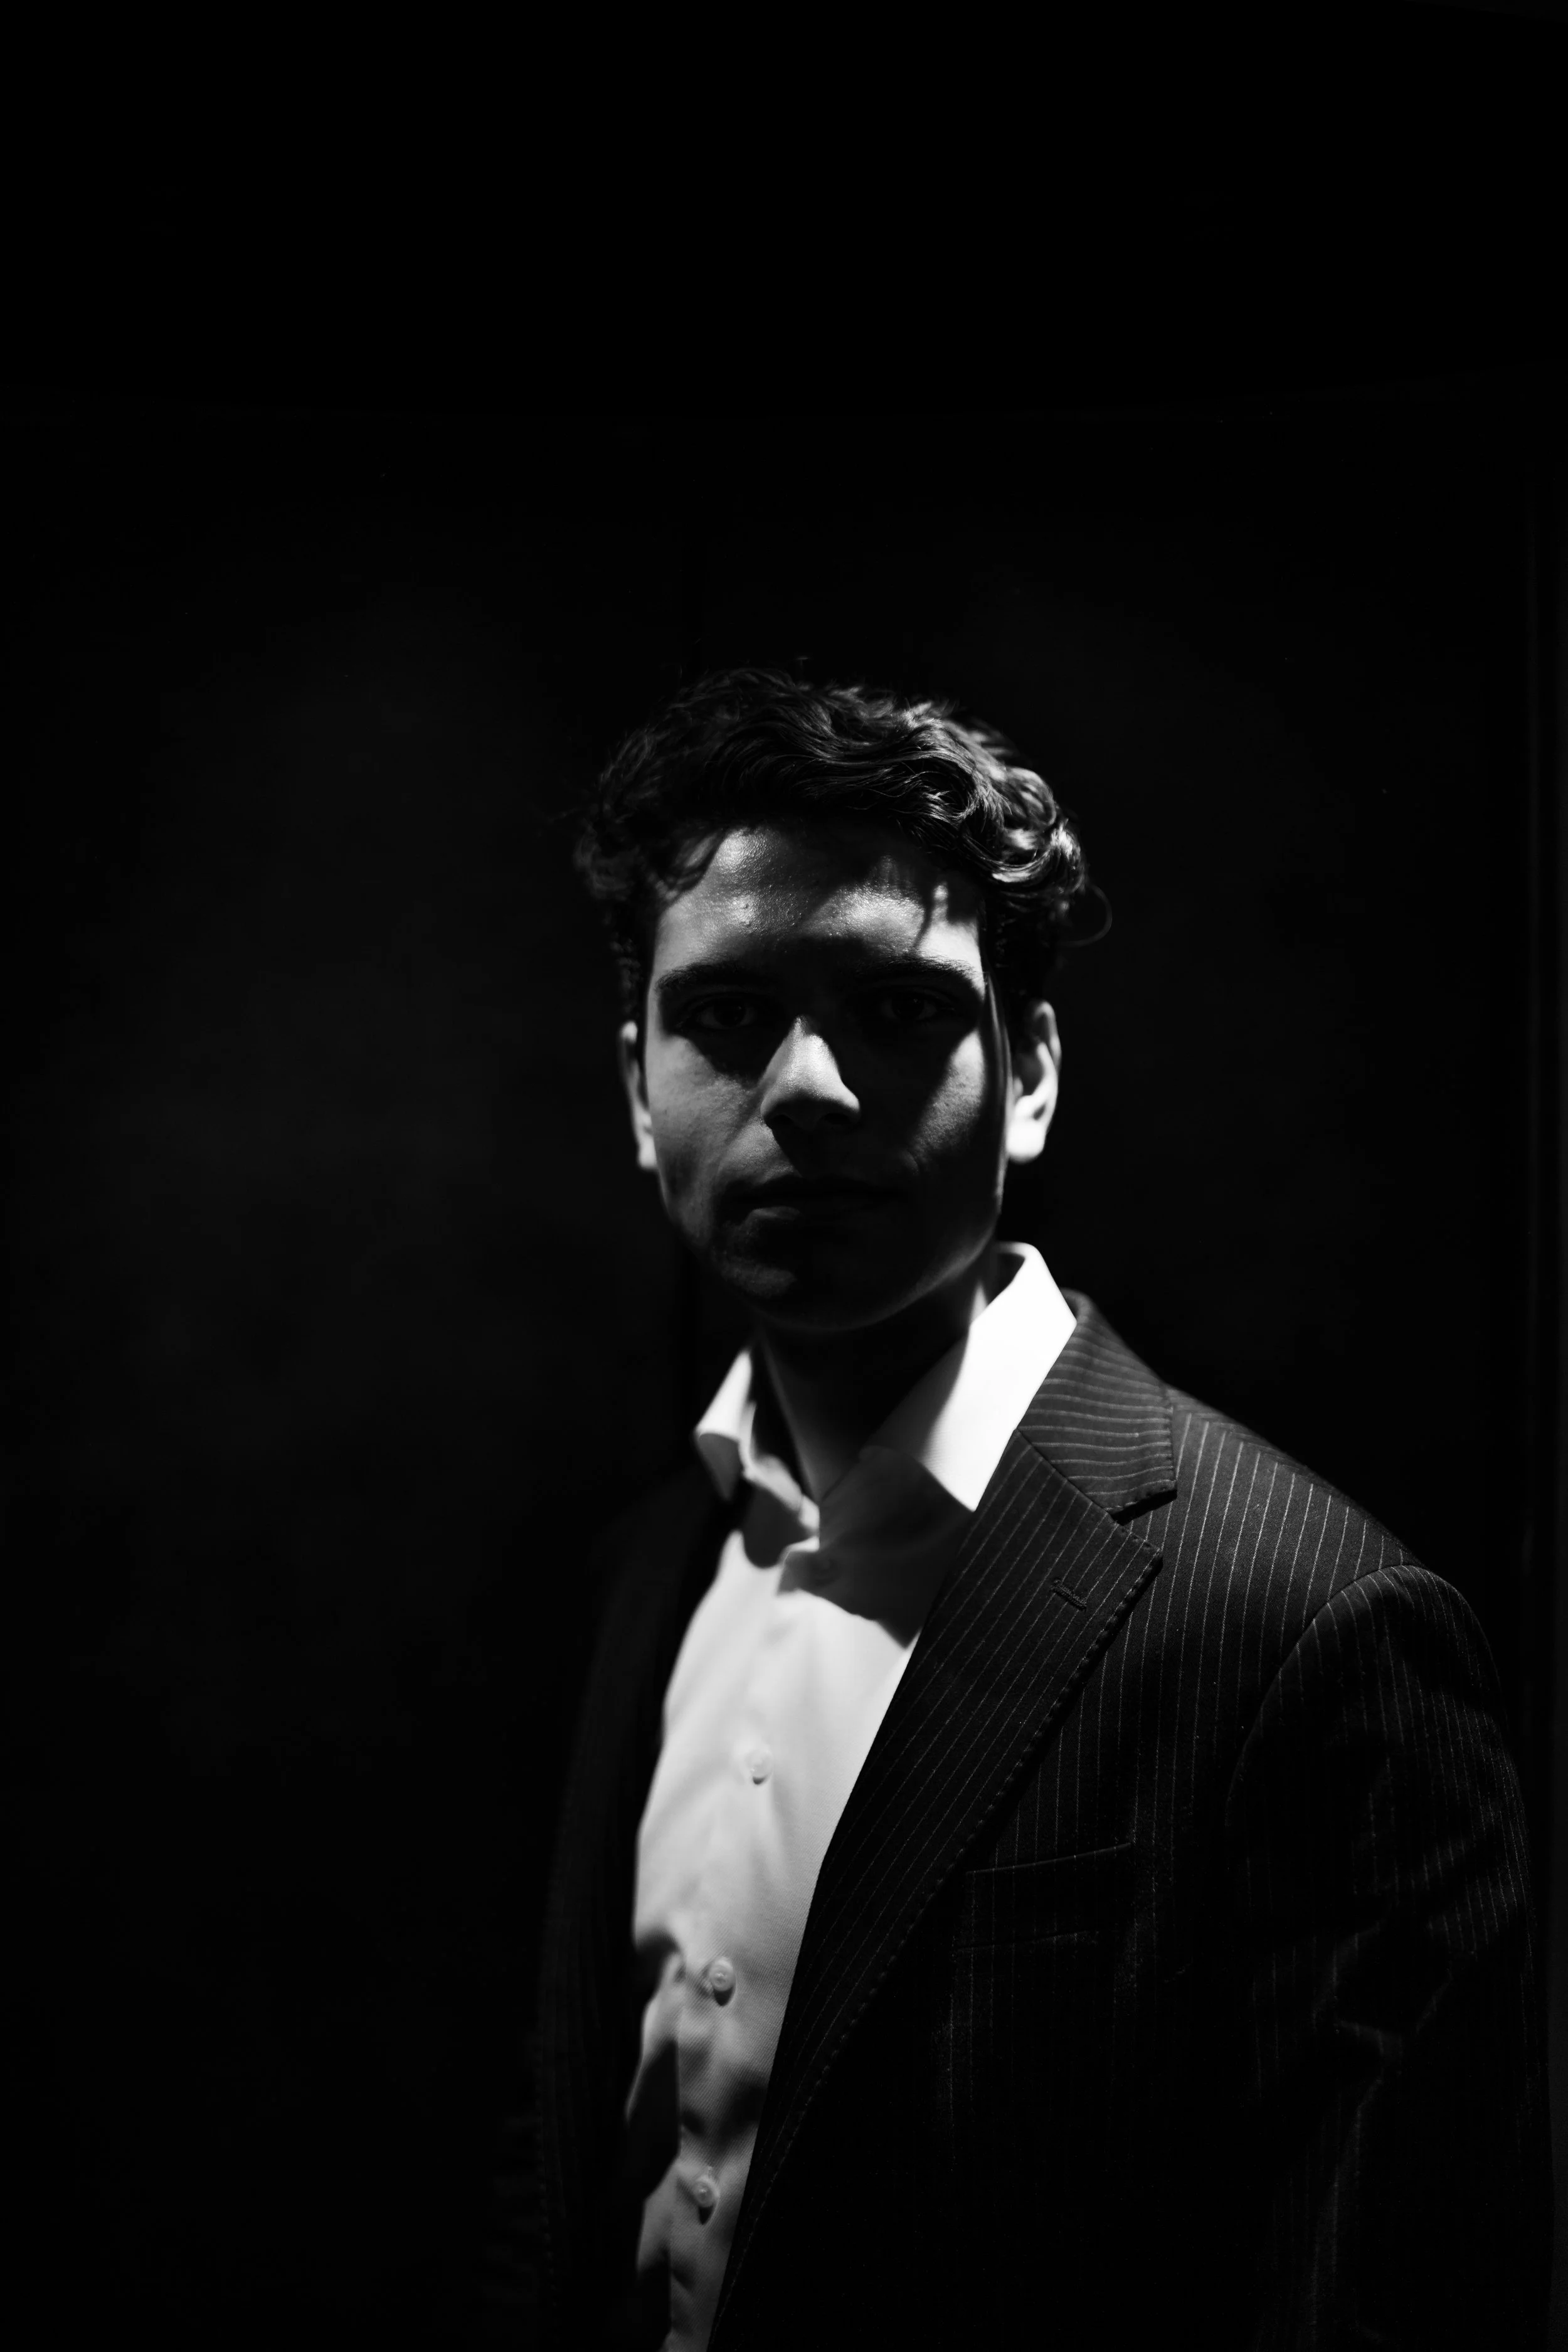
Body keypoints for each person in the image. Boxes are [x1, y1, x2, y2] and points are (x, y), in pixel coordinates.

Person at [478, 668, 1550, 2349]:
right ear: (637, 1090)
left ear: (1031, 1073)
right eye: (729, 1014)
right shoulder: (648, 1570)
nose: (811, 1086)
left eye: (895, 1010)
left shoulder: (1306, 1630)